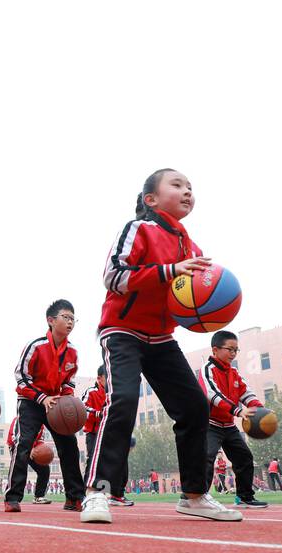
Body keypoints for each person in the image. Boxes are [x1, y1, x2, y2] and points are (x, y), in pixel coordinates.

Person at [82, 167, 242, 523]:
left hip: (162, 337)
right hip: (122, 330)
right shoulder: (138, 229)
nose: (187, 191)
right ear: (150, 199)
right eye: (177, 185)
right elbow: (114, 277)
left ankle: (194, 495)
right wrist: (170, 270)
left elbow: (194, 297)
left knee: (195, 407)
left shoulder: (191, 245)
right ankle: (97, 492)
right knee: (122, 400)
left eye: (190, 187)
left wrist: (210, 310)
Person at [5, 299, 85, 513]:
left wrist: (67, 401)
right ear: (50, 320)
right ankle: (12, 497)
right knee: (23, 445)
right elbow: (20, 377)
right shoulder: (36, 346)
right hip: (31, 402)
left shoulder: (73, 352)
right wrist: (41, 398)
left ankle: (74, 497)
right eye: (65, 317)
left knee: (70, 447)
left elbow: (69, 381)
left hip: (56, 405)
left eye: (72, 319)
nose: (70, 322)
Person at [197, 329, 268, 508]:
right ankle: (198, 498)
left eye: (236, 350)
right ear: (215, 350)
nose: (234, 353)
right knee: (206, 457)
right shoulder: (207, 370)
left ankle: (244, 497)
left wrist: (260, 410)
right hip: (209, 424)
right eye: (230, 349)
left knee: (244, 458)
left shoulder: (234, 372)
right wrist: (237, 411)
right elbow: (213, 395)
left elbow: (246, 393)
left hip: (228, 426)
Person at [7, 414, 52, 504]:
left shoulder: (41, 424)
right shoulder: (18, 420)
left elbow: (40, 440)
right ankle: (10, 496)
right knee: (20, 468)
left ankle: (39, 496)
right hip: (16, 446)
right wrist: (29, 448)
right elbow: (14, 438)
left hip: (32, 449)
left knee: (44, 469)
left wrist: (41, 450)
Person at [82, 365, 108, 475]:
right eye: (107, 376)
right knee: (92, 460)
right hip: (93, 434)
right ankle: (87, 488)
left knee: (108, 461)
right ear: (99, 378)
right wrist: (98, 413)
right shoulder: (91, 392)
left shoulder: (112, 393)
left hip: (108, 433)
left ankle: (108, 489)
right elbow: (83, 409)